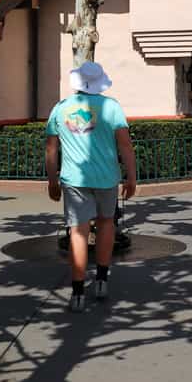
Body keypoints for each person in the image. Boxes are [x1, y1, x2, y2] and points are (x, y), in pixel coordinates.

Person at [45, 61, 136, 313]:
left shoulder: (60, 109)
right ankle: (102, 281)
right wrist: (132, 177)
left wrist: (52, 180)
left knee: (77, 231)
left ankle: (76, 293)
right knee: (107, 223)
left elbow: (51, 148)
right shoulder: (111, 107)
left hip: (74, 180)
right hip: (107, 178)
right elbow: (125, 146)